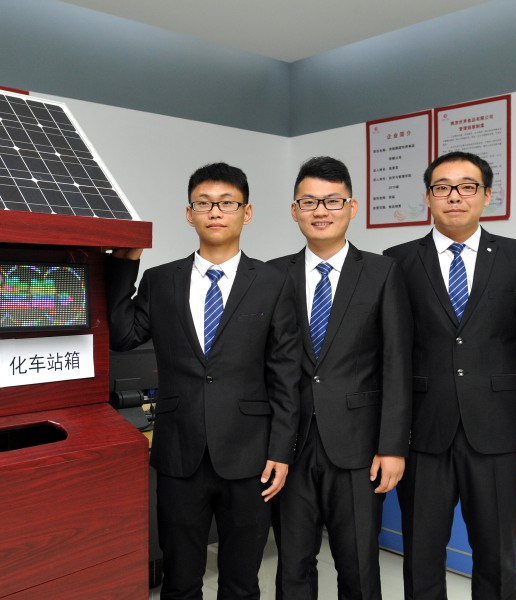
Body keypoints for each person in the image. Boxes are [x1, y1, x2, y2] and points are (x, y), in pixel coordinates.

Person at [106, 162, 301, 600]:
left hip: (252, 456)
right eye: (204, 203)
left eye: (227, 203)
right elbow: (122, 335)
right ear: (189, 213)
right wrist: (126, 262)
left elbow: (286, 374)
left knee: (241, 583)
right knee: (180, 581)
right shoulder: (161, 281)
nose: (215, 211)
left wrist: (281, 451)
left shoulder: (273, 283)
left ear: (246, 213)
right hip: (180, 453)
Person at [384, 151, 516, 599]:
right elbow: (392, 354)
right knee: (421, 554)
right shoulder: (397, 261)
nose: (455, 196)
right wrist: (389, 439)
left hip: (500, 433)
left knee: (496, 554)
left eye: (467, 187)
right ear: (428, 198)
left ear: (486, 195)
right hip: (423, 433)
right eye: (442, 187)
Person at [269, 156, 412, 599]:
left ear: (352, 207)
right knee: (292, 564)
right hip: (289, 445)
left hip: (359, 446)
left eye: (332, 201)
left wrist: (392, 446)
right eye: (309, 201)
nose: (320, 211)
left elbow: (397, 363)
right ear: (294, 210)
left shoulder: (382, 272)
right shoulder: (272, 275)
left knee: (358, 564)